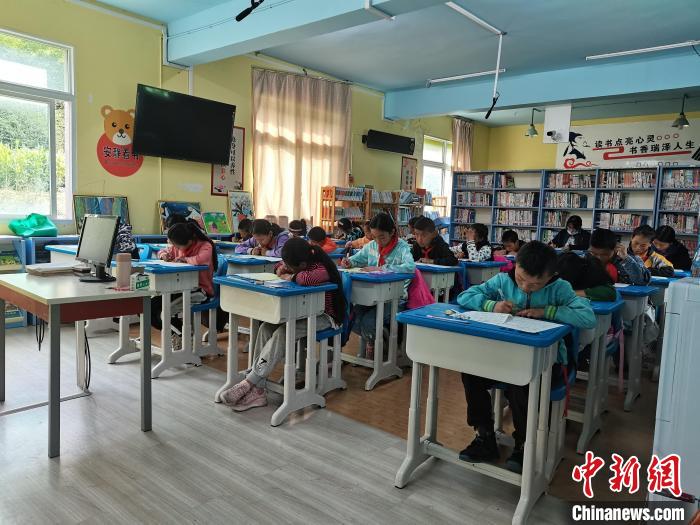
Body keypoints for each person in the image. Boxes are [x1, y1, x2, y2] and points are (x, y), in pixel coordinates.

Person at [456, 241, 595, 473]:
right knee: (471, 372)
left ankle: (523, 443)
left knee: (521, 381)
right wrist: (491, 305)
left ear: (550, 276)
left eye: (535, 284)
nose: (525, 287)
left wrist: (547, 311)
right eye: (521, 279)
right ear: (516, 265)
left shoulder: (560, 288)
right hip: (504, 354)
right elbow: (465, 296)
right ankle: (484, 435)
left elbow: (587, 317)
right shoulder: (503, 281)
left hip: (547, 362)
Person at [220, 238, 346, 411]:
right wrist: (282, 268)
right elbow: (279, 266)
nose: (288, 267)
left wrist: (291, 275)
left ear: (302, 264)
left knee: (284, 333)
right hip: (302, 312)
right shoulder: (301, 259)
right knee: (265, 327)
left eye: (292, 266)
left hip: (325, 317)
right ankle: (258, 388)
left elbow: (305, 278)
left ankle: (250, 381)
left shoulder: (320, 266)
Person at [341, 213, 415, 359]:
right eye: (374, 237)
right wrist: (349, 262)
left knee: (369, 322)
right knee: (352, 318)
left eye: (382, 237)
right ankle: (377, 339)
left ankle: (379, 344)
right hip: (372, 297)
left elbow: (410, 267)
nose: (378, 241)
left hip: (395, 298)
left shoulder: (402, 247)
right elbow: (357, 259)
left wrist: (381, 268)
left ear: (392, 232)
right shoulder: (372, 246)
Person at [155, 222, 217, 350]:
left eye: (177, 246)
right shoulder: (177, 246)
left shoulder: (205, 245)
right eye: (174, 245)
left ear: (189, 241)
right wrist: (163, 255)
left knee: (164, 312)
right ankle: (180, 335)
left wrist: (185, 259)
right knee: (150, 308)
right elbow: (162, 251)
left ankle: (185, 339)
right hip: (178, 288)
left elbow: (201, 260)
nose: (175, 248)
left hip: (200, 290)